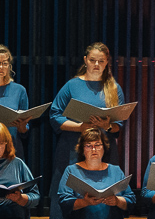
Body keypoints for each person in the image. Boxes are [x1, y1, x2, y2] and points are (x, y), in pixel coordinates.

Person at [48, 43, 127, 187]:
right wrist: (80, 127)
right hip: (74, 146)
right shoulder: (72, 85)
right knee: (71, 190)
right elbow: (55, 116)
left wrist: (107, 126)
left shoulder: (114, 88)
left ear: (106, 62)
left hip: (102, 149)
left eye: (101, 61)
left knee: (102, 190)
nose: (96, 64)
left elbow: (119, 125)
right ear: (85, 60)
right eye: (92, 60)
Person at [50, 125, 134, 219]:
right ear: (82, 149)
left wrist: (117, 201)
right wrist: (85, 202)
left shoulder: (116, 171)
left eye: (97, 145)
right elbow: (64, 202)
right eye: (88, 146)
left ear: (104, 147)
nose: (94, 149)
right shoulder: (72, 170)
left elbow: (131, 200)